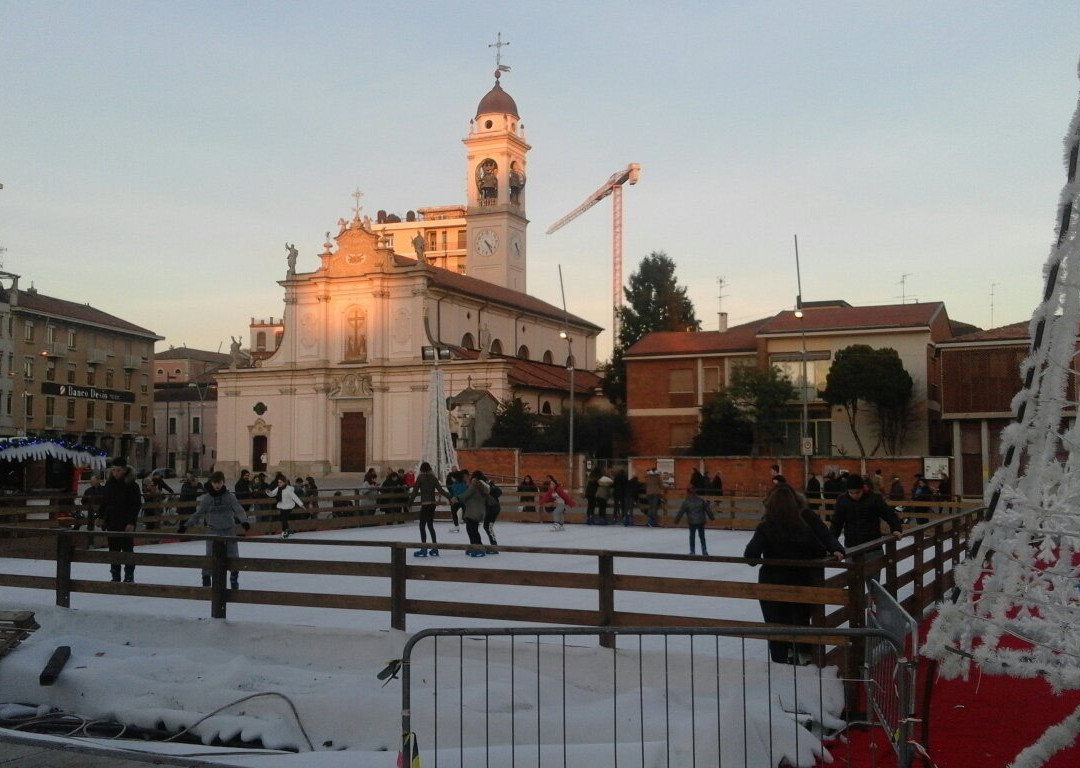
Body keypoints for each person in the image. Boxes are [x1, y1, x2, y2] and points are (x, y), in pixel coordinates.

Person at [744, 482, 845, 664]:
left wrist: (836, 548)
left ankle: (780, 660)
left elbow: (750, 556)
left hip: (772, 583)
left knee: (776, 624)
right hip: (801, 580)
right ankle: (801, 656)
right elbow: (819, 549)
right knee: (799, 620)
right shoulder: (802, 527)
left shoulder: (769, 525)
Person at [178, 471, 250, 589]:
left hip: (228, 530)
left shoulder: (229, 497)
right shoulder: (208, 498)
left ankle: (234, 577)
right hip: (213, 530)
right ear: (211, 483)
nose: (217, 485)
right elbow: (198, 513)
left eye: (219, 483)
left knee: (233, 555)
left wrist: (244, 521)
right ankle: (206, 579)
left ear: (223, 482)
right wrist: (186, 525)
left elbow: (239, 509)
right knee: (210, 555)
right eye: (215, 483)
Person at [830, 473, 903, 586]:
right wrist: (832, 545)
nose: (854, 495)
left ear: (863, 489)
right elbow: (836, 524)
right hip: (852, 547)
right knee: (854, 584)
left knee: (873, 584)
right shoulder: (842, 501)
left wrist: (896, 528)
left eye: (857, 492)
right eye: (851, 493)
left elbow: (889, 514)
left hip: (872, 548)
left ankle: (872, 602)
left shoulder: (874, 499)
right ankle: (857, 603)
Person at [99, 457, 141, 583]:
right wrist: (100, 516)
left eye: (118, 470)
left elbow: (135, 505)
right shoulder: (109, 485)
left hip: (125, 523)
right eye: (113, 470)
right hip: (112, 522)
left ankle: (129, 576)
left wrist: (131, 522)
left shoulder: (132, 485)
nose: (115, 473)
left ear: (124, 470)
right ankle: (115, 576)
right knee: (114, 550)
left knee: (127, 550)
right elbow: (105, 502)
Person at [409, 461, 450, 556]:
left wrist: (410, 503)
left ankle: (424, 548)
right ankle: (435, 548)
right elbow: (441, 490)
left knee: (422, 526)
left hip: (425, 504)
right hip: (432, 504)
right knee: (430, 526)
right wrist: (450, 497)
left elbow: (415, 492)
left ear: (421, 470)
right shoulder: (433, 478)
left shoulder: (420, 478)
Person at [454, 471, 492, 556]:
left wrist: (457, 498)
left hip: (473, 511)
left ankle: (478, 548)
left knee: (472, 530)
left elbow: (467, 494)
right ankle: (475, 547)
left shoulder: (474, 485)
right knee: (473, 529)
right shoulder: (482, 486)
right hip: (479, 511)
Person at [673, 486, 715, 555]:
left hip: (692, 522)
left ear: (688, 493)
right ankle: (704, 550)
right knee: (702, 536)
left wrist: (676, 520)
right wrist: (712, 517)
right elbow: (707, 509)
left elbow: (681, 512)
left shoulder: (686, 502)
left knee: (692, 536)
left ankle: (692, 551)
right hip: (701, 521)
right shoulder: (701, 500)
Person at [268, 472, 304, 538]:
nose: (279, 484)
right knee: (282, 519)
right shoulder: (278, 488)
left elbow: (295, 497)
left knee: (284, 519)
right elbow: (273, 494)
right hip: (282, 505)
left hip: (289, 506)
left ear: (284, 482)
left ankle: (285, 532)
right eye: (278, 482)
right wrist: (268, 492)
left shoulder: (289, 489)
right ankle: (287, 530)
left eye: (280, 482)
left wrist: (301, 505)